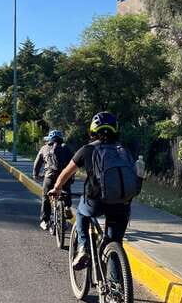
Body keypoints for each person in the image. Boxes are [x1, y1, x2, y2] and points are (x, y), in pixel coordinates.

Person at [49, 112, 137, 268]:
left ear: (93, 130)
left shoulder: (87, 150)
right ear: (115, 130)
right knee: (114, 242)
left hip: (96, 201)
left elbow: (66, 172)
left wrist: (56, 188)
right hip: (122, 203)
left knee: (81, 212)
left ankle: (83, 248)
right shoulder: (124, 150)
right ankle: (115, 288)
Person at [33, 130, 73, 230]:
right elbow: (73, 164)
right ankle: (67, 206)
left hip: (49, 177)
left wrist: (36, 175)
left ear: (49, 139)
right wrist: (71, 177)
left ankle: (45, 221)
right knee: (66, 190)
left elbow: (37, 164)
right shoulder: (66, 148)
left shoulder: (44, 148)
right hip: (64, 177)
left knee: (46, 197)